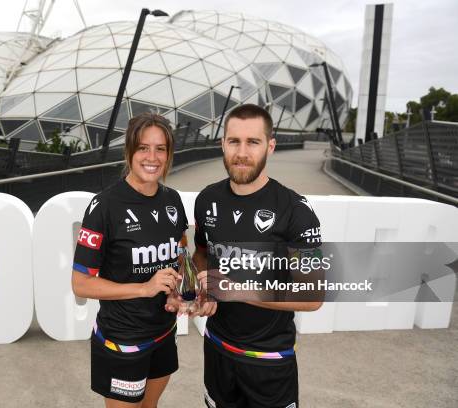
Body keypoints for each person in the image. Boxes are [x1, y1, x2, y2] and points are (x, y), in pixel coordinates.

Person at [191, 104, 323, 408]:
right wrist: (204, 287)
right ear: (222, 143)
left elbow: (314, 296)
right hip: (217, 351)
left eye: (253, 142)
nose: (242, 152)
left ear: (270, 146)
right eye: (234, 141)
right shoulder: (207, 199)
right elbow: (200, 254)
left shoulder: (298, 211)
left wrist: (236, 290)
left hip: (269, 361)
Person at [71, 112, 188, 408]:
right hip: (123, 341)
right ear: (129, 152)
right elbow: (81, 284)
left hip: (164, 333)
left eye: (160, 148)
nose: (152, 157)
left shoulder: (172, 200)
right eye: (143, 148)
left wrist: (178, 291)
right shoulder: (104, 206)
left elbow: (180, 253)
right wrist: (144, 288)